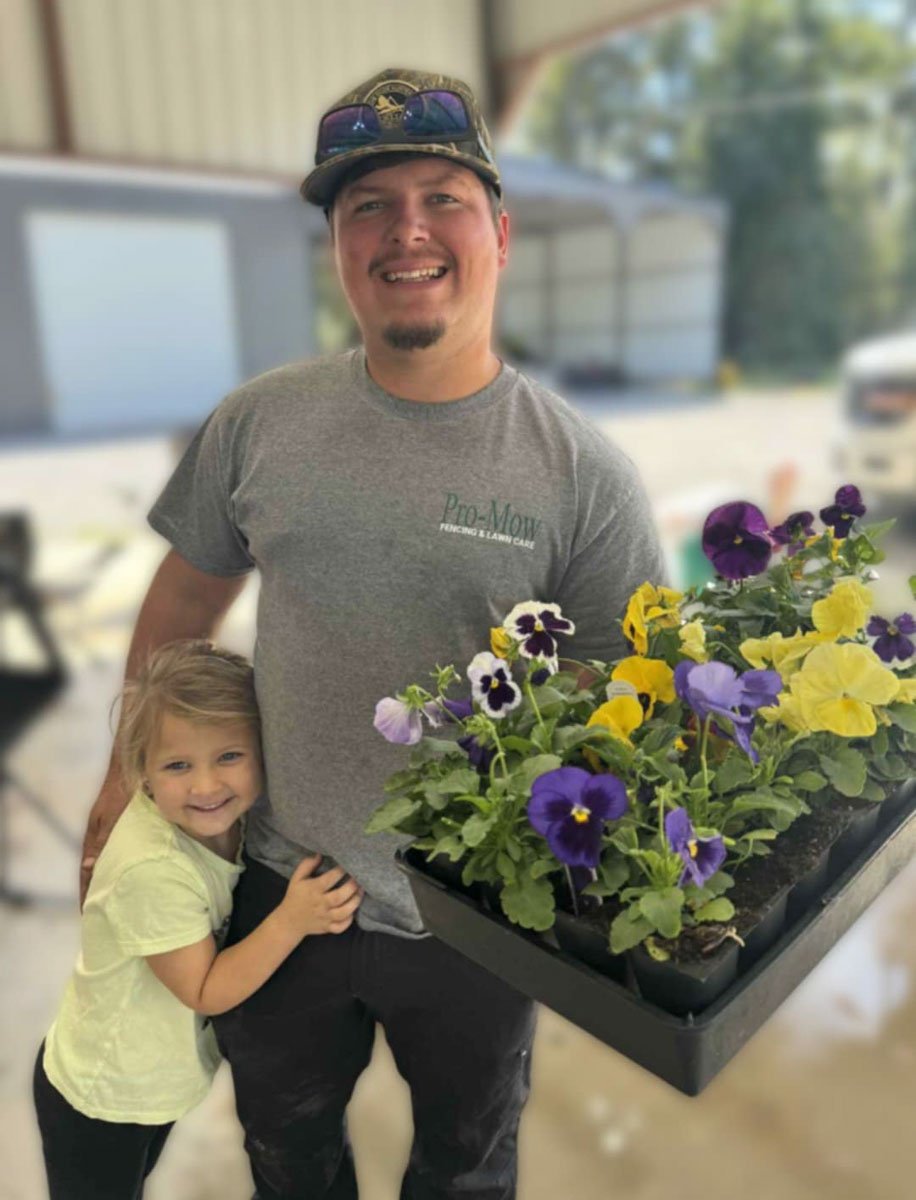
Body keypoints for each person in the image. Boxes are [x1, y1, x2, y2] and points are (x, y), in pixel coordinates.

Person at [79, 68, 667, 1200]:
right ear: (338, 247)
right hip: (276, 889)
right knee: (287, 1151)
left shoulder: (582, 472)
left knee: (464, 1163)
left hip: (484, 921)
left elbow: (629, 697)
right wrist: (126, 776)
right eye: (366, 207)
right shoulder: (260, 422)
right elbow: (184, 601)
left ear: (498, 231)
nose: (407, 231)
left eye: (442, 197)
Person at [38, 640, 362, 1200]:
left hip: (147, 1080)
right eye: (178, 765)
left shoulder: (226, 819)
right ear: (140, 771)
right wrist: (291, 920)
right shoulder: (153, 869)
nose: (207, 786)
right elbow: (206, 989)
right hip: (104, 1095)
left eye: (229, 756)